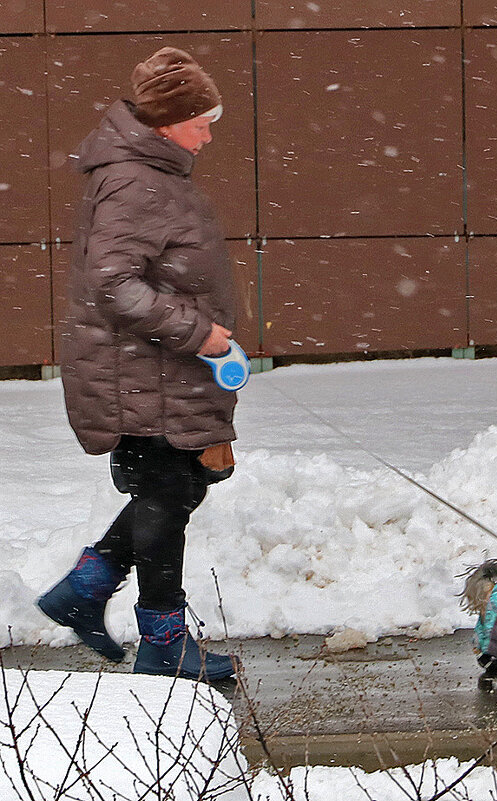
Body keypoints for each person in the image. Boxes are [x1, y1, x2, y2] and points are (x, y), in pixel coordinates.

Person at [37, 46, 239, 681]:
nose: (208, 132)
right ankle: (162, 644)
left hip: (157, 369)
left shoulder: (150, 175)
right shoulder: (135, 181)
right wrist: (199, 332)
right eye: (200, 120)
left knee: (178, 486)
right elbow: (113, 286)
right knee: (166, 492)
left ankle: (88, 589)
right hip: (137, 371)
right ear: (165, 124)